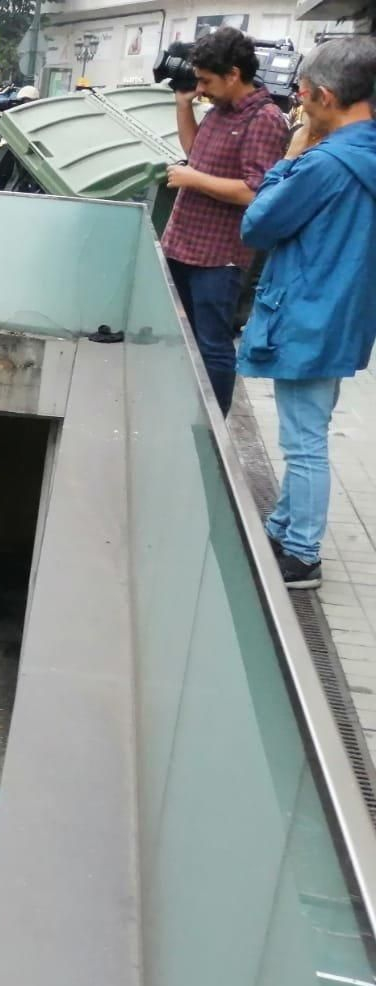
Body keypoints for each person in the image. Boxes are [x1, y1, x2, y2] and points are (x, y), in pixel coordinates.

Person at [236, 37, 376, 590]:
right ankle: (283, 524)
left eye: (301, 93)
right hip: (344, 314)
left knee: (304, 442)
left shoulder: (324, 163)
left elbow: (259, 225)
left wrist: (290, 157)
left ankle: (300, 554)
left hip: (306, 313)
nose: (299, 103)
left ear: (323, 95)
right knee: (306, 428)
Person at [161, 26, 290, 415]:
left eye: (205, 81)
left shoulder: (265, 119)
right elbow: (194, 151)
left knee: (213, 345)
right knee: (181, 339)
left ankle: (213, 424)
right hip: (182, 243)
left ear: (233, 74)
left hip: (219, 256)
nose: (200, 88)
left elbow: (256, 192)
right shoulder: (219, 111)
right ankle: (183, 410)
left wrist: (192, 179)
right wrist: (184, 105)